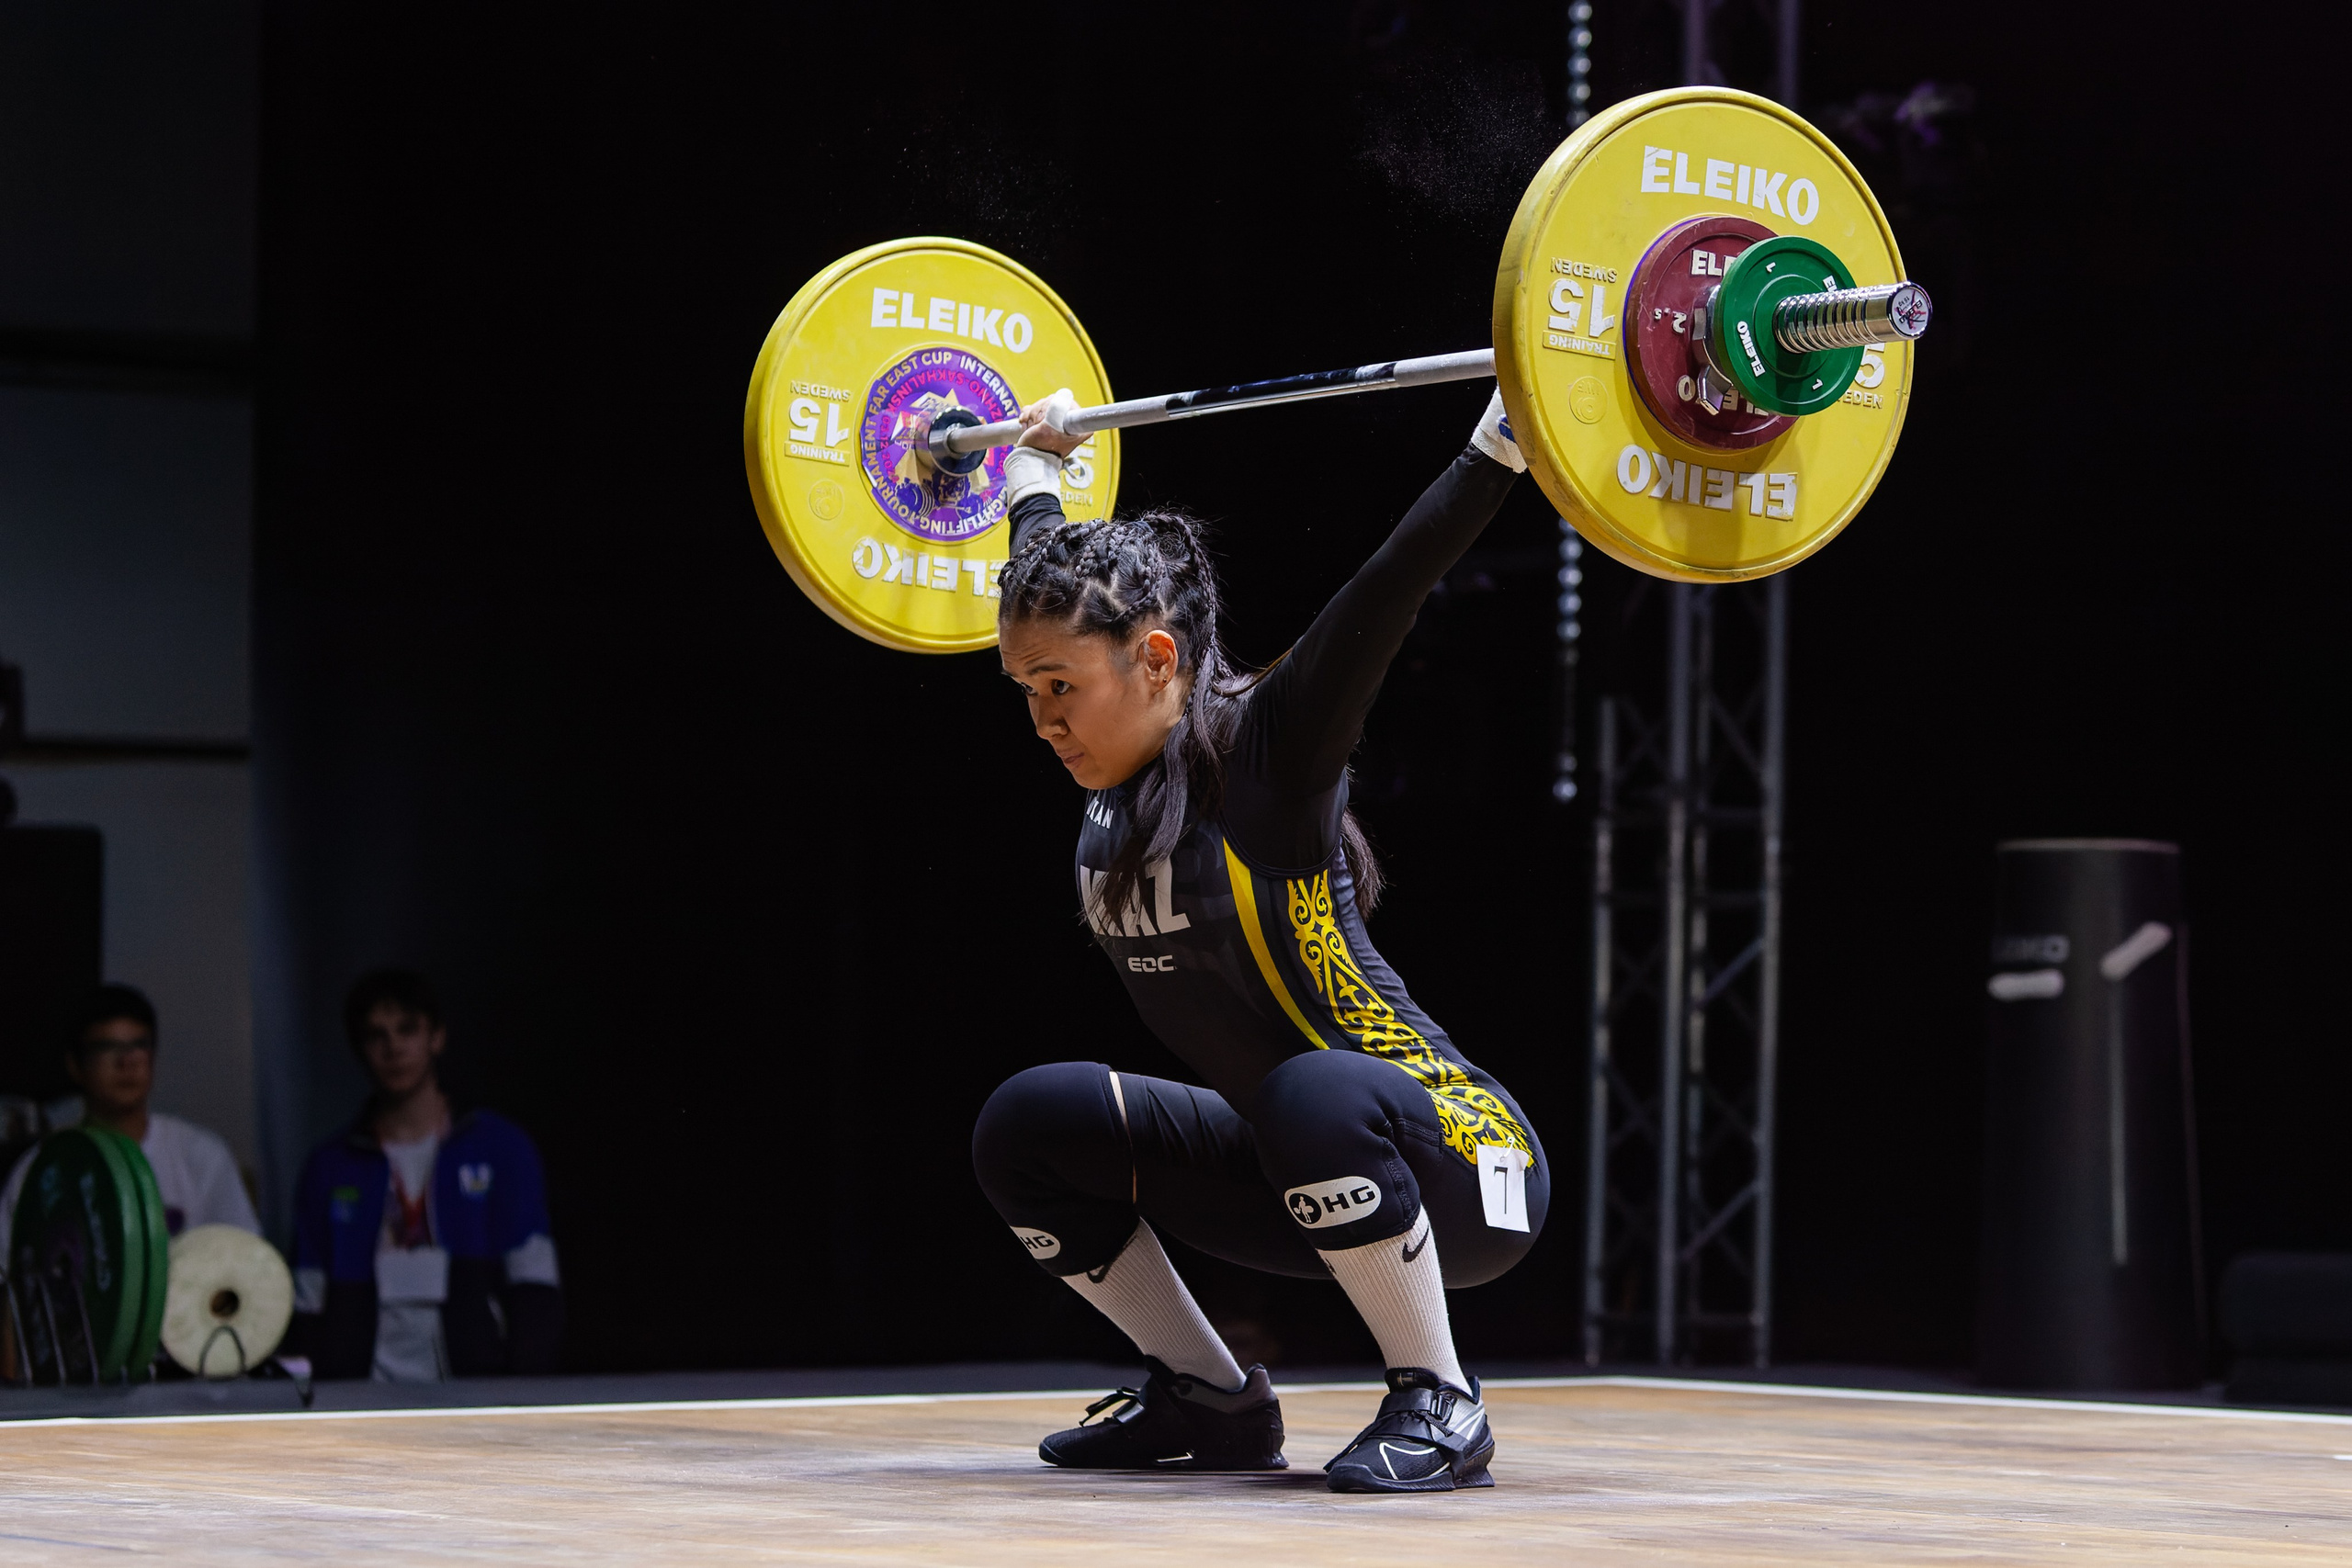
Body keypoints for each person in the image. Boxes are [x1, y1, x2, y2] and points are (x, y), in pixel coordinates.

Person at [969, 387, 1547, 1493]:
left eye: (1059, 688)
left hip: (1468, 1165)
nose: (1041, 718)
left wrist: (1504, 439)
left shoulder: (1265, 756)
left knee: (1309, 1090)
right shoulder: (1109, 748)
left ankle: (1442, 1401)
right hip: (1297, 1169)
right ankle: (1211, 1398)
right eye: (1024, 689)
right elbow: (1045, 561)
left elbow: (1390, 584)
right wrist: (1031, 473)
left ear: (1152, 658)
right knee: (1027, 1123)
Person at [287, 968, 563, 1381]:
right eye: (376, 1035)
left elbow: (534, 1283)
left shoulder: (500, 1147)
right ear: (360, 1049)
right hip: (361, 1392)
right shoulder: (331, 1164)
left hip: (474, 1385)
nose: (393, 1047)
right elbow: (307, 1299)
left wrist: (519, 1396)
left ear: (436, 1037)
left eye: (407, 1029)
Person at [0, 984, 260, 1258]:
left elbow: (246, 1261)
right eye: (107, 1047)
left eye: (139, 1046)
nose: (127, 1062)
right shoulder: (42, 1168)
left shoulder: (201, 1155)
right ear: (76, 1065)